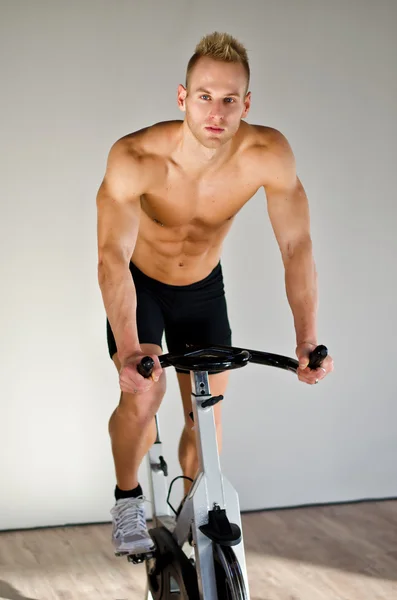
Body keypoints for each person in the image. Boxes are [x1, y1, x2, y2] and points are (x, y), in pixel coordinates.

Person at [96, 31, 334, 556]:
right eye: (205, 96)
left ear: (246, 104)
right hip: (141, 286)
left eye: (230, 100)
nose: (217, 112)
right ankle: (128, 498)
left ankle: (195, 512)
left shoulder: (267, 153)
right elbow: (112, 257)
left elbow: (296, 245)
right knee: (145, 393)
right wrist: (132, 345)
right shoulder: (136, 157)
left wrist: (307, 339)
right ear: (182, 97)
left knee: (206, 413)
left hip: (203, 287)